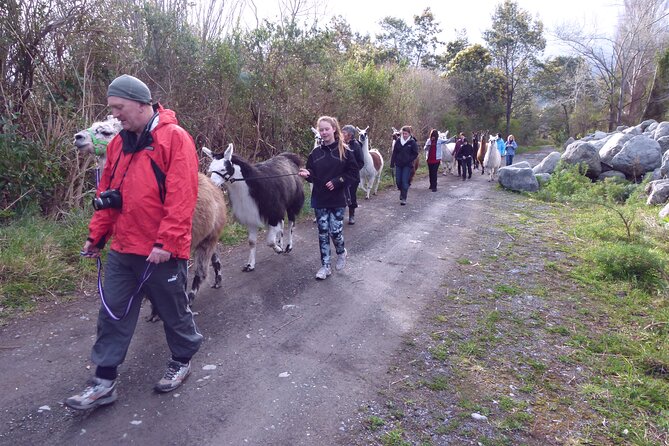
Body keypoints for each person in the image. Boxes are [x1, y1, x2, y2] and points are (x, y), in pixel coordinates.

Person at [65, 74, 203, 410]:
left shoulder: (174, 139)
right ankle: (103, 382)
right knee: (112, 313)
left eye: (119, 107)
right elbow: (108, 195)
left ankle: (182, 359)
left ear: (142, 104)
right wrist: (96, 237)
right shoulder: (117, 143)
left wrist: (167, 242)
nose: (115, 115)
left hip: (161, 252)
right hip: (124, 249)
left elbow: (181, 197)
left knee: (173, 311)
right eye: (112, 108)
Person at [299, 116, 359, 280]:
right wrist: (307, 174)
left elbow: (353, 174)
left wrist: (337, 181)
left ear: (334, 129)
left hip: (338, 198)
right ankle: (325, 266)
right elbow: (312, 175)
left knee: (335, 231)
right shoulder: (315, 153)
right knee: (323, 232)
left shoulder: (345, 151)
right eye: (321, 130)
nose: (324, 132)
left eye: (326, 129)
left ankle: (341, 252)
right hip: (320, 199)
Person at [389, 125, 419, 205]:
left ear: (409, 134)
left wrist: (409, 159)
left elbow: (415, 153)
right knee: (398, 181)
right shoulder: (398, 141)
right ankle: (402, 191)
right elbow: (394, 152)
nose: (404, 135)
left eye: (406, 134)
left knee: (404, 181)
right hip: (398, 164)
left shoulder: (412, 142)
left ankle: (404, 198)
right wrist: (392, 163)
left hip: (407, 165)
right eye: (403, 134)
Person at [341, 125, 364, 224]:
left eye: (344, 133)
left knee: (351, 196)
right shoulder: (339, 144)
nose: (342, 134)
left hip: (353, 177)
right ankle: (339, 215)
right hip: (341, 176)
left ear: (350, 135)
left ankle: (351, 214)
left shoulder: (356, 145)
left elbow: (361, 162)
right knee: (340, 196)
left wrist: (352, 172)